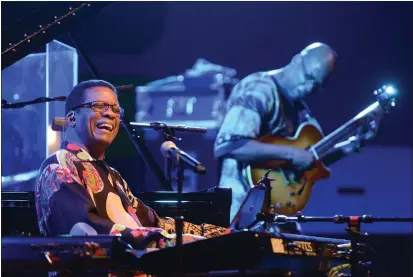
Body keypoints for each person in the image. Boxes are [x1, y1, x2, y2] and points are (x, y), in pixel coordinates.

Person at [35, 80, 230, 251]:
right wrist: (169, 242)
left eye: (116, 109)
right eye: (98, 105)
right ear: (71, 118)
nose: (110, 113)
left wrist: (217, 233)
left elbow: (153, 222)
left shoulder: (112, 175)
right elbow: (89, 231)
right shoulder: (59, 165)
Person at [214, 42, 382, 232]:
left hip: (274, 215)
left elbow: (310, 163)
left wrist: (352, 145)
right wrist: (291, 154)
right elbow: (229, 144)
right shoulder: (258, 89)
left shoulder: (300, 111)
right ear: (296, 60)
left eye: (315, 84)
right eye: (308, 76)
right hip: (239, 210)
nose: (307, 87)